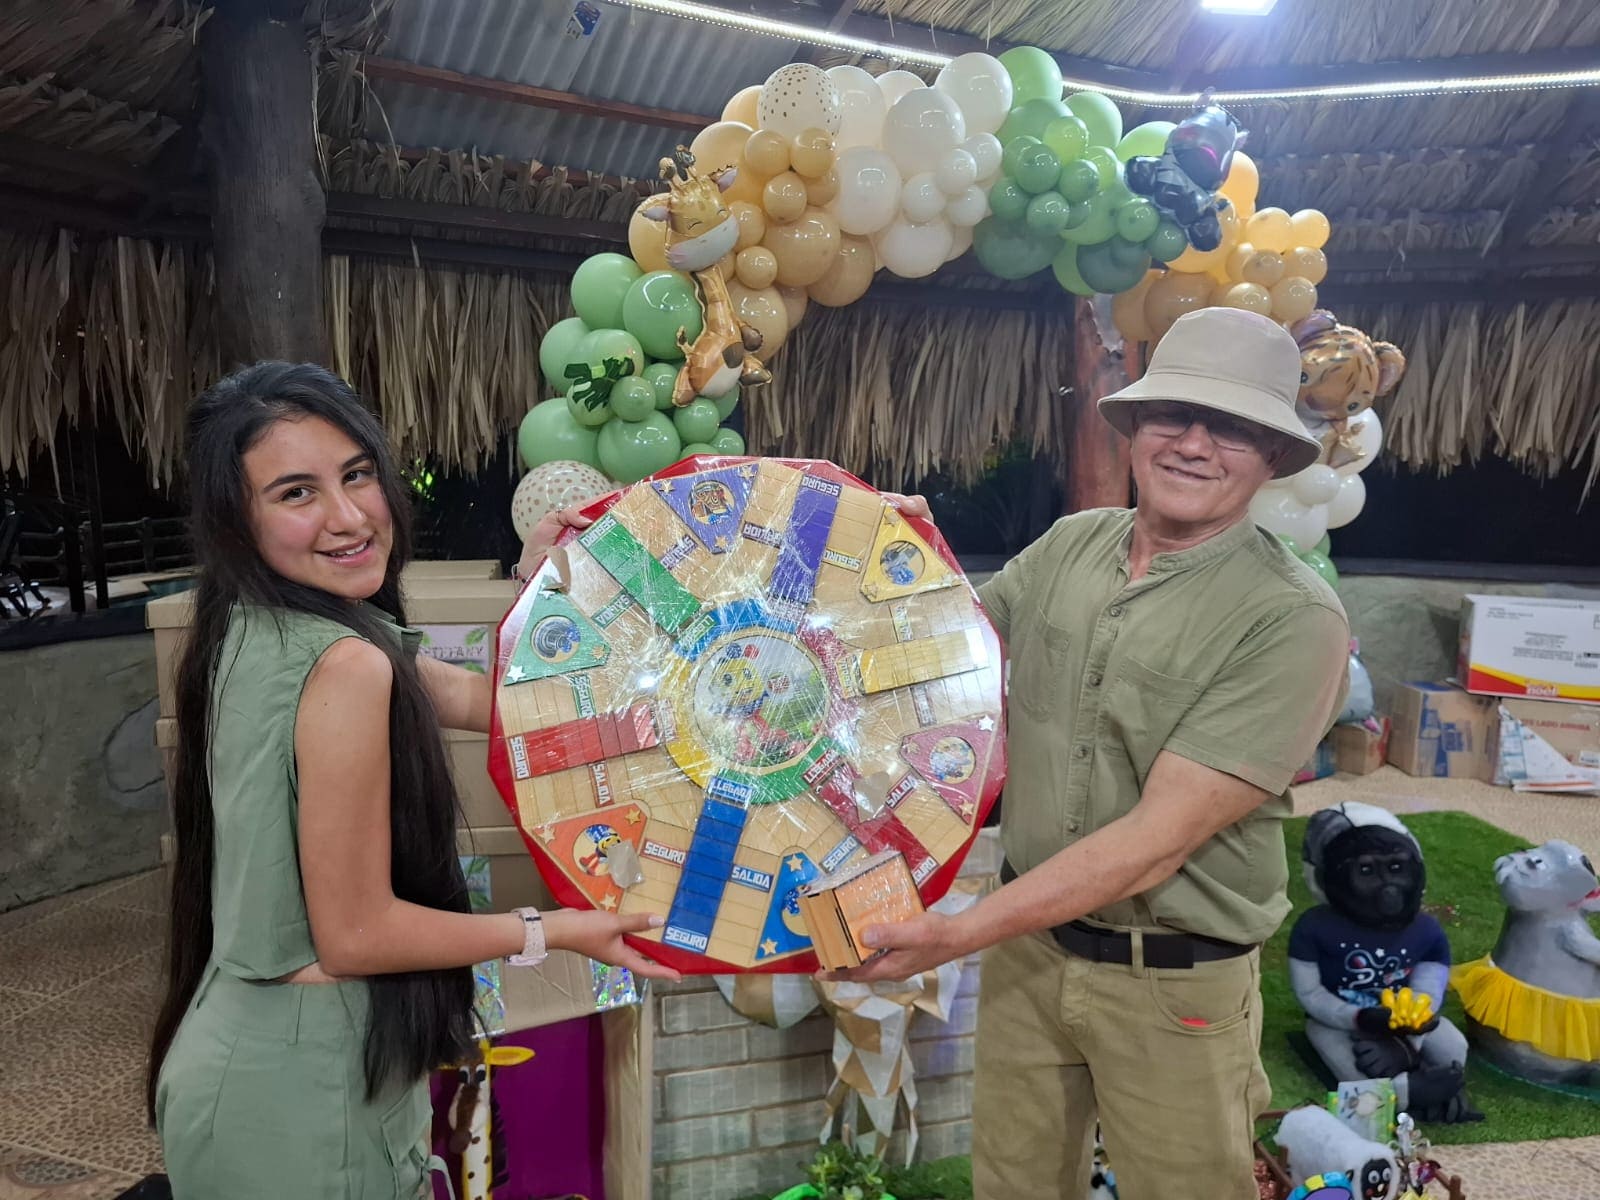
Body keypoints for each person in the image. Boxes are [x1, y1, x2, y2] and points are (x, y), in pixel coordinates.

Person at [831, 308, 1351, 1198]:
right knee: (1012, 1187)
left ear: (1272, 455)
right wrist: (893, 563)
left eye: (1231, 427)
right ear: (1136, 427)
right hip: (1029, 955)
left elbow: (1157, 841)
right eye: (1173, 414)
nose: (1194, 444)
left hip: (1174, 986)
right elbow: (941, 663)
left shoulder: (1293, 619)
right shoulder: (1070, 545)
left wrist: (957, 933)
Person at [147, 362, 679, 1199]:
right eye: (296, 493)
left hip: (253, 1061)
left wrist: (545, 588)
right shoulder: (345, 662)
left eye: (357, 474)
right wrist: (554, 930)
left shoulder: (256, 623)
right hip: (303, 1098)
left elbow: (486, 703)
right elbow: (356, 936)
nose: (350, 516)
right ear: (235, 519)